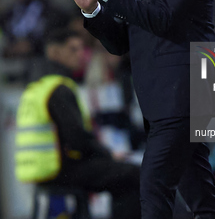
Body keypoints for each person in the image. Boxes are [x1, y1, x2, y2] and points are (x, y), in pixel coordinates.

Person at [59, 0, 215, 218]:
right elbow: (121, 42)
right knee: (200, 194)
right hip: (158, 101)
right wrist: (92, 9)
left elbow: (163, 19)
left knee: (153, 186)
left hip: (186, 93)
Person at [15, 29, 141, 219]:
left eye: (82, 49)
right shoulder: (59, 88)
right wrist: (109, 155)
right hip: (62, 170)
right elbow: (78, 141)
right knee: (132, 175)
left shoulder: (36, 87)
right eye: (73, 49)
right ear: (55, 53)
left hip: (41, 170)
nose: (80, 55)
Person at [0, 0, 67, 59]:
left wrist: (32, 45)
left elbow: (54, 36)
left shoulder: (50, 11)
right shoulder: (9, 13)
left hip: (40, 60)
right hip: (13, 63)